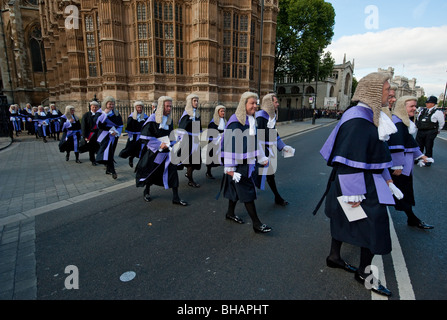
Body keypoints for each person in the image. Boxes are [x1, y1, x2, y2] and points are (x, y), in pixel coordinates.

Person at [316, 72, 400, 297]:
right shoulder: (358, 119)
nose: (390, 93)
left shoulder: (367, 114)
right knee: (375, 225)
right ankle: (364, 273)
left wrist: (388, 180)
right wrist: (352, 194)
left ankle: (334, 257)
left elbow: (371, 154)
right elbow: (349, 159)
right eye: (387, 89)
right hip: (357, 183)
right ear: (373, 91)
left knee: (342, 218)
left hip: (364, 179)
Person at [220, 91, 272, 234]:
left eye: (256, 103)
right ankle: (256, 223)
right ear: (244, 104)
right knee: (248, 191)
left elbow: (254, 142)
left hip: (248, 162)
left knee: (234, 190)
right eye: (252, 103)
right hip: (238, 165)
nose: (255, 106)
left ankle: (230, 213)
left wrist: (261, 157)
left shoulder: (250, 120)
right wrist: (230, 169)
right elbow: (229, 145)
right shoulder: (235, 122)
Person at [387, 96, 434, 229]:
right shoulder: (397, 122)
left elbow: (409, 143)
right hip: (399, 167)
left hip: (404, 165)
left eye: (415, 106)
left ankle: (412, 219)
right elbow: (396, 145)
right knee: (399, 193)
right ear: (403, 107)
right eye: (411, 106)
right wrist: (397, 165)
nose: (415, 108)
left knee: (402, 194)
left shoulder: (403, 121)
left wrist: (421, 156)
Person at [134, 96, 187, 206]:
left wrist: (174, 141)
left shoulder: (169, 120)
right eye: (167, 106)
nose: (169, 108)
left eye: (170, 106)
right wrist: (159, 144)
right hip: (154, 152)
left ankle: (176, 198)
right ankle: (146, 191)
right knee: (151, 172)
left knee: (173, 172)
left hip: (167, 152)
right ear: (161, 106)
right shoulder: (152, 119)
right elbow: (144, 136)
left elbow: (170, 135)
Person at [255, 93, 294, 206]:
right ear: (269, 103)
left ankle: (277, 197)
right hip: (259, 152)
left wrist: (283, 147)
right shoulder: (261, 117)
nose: (277, 104)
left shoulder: (269, 117)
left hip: (266, 151)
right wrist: (261, 155)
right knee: (252, 175)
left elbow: (273, 134)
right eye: (276, 102)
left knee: (269, 175)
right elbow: (257, 138)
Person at [96, 96, 123, 179]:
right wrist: (105, 114)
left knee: (111, 152)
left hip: (114, 135)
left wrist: (117, 132)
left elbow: (120, 124)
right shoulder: (100, 113)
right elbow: (99, 125)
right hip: (104, 135)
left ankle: (108, 169)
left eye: (113, 104)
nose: (111, 106)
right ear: (106, 104)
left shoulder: (116, 113)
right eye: (110, 104)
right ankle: (113, 171)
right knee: (109, 153)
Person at [178, 93, 202, 187]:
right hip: (188, 141)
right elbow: (182, 128)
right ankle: (190, 180)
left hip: (194, 140)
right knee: (191, 161)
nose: (196, 103)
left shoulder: (196, 113)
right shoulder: (186, 114)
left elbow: (197, 127)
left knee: (194, 161)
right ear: (190, 102)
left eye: (197, 101)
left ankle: (189, 175)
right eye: (194, 101)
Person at [415, 96, 445, 166]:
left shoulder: (437, 112)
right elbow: (418, 119)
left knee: (428, 145)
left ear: (433, 104)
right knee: (419, 145)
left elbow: (441, 122)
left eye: (429, 103)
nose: (427, 104)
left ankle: (428, 160)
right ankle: (418, 158)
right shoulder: (423, 110)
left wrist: (438, 129)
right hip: (421, 130)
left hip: (430, 131)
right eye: (427, 102)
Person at [119, 101, 148, 168]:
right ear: (135, 108)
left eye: (141, 107)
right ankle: (130, 158)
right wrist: (130, 135)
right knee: (131, 148)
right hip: (133, 135)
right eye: (138, 107)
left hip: (141, 135)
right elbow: (129, 126)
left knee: (140, 149)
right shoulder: (132, 116)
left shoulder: (145, 116)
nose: (140, 109)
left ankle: (139, 164)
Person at [204, 105, 226, 179]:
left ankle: (227, 172)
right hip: (214, 142)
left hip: (222, 142)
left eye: (224, 111)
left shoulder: (225, 121)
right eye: (221, 111)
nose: (223, 113)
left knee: (224, 157)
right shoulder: (213, 122)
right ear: (217, 112)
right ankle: (208, 172)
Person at [81, 100, 102, 166]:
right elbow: (83, 126)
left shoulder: (100, 115)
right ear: (91, 107)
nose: (95, 108)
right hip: (90, 134)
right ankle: (93, 160)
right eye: (93, 107)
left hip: (98, 133)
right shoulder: (86, 115)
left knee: (99, 146)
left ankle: (99, 158)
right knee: (91, 148)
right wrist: (85, 136)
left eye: (96, 107)